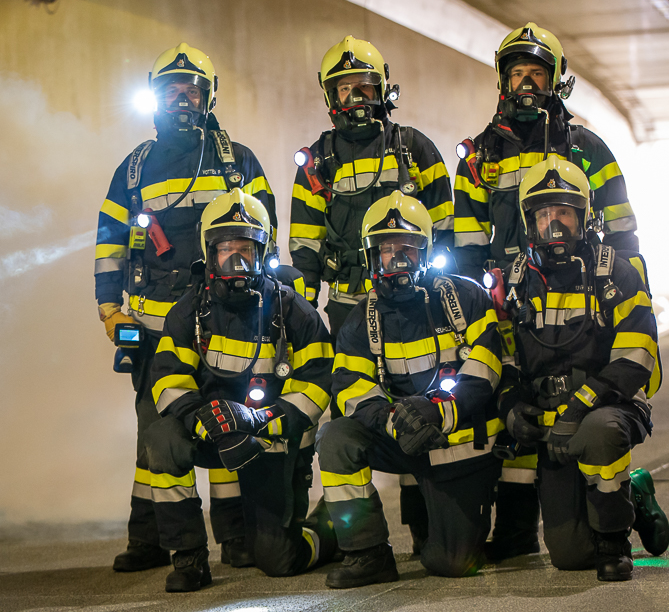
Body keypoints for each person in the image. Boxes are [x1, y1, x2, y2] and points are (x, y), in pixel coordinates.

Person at [451, 22, 653, 561]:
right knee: (517, 406)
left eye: (536, 73)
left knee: (587, 413)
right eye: (516, 72)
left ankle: (622, 499)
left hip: (582, 296)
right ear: (502, 80)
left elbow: (622, 233)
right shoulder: (478, 158)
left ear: (556, 80)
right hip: (513, 300)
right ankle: (516, 530)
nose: (525, 83)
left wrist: (632, 299)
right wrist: (476, 313)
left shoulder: (588, 148)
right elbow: (466, 248)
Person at [94, 43, 277, 572]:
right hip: (155, 328)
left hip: (225, 323)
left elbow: (267, 240)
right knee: (156, 430)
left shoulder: (238, 161)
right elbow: (109, 243)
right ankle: (149, 539)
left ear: (208, 98)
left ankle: (235, 538)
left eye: (191, 91)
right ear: (154, 98)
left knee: (225, 420)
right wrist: (109, 309)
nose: (181, 99)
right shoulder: (133, 170)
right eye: (170, 90)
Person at [289, 35, 454, 549]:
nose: (355, 98)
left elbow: (445, 231)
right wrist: (301, 316)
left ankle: (426, 521)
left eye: (364, 87)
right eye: (344, 89)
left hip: (415, 305)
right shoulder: (316, 162)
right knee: (354, 413)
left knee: (418, 400)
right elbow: (304, 248)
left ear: (383, 90)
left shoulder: (415, 149)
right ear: (329, 96)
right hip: (349, 309)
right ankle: (353, 536)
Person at [143, 189, 337, 592]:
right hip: (212, 432)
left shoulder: (293, 311)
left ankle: (331, 524)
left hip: (272, 438)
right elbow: (167, 379)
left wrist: (259, 421)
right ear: (209, 253)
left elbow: (317, 385)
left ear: (263, 251)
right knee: (162, 439)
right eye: (226, 249)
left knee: (278, 561)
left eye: (245, 250)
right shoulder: (190, 311)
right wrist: (205, 422)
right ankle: (189, 558)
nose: (236, 261)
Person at [316, 191, 504, 588]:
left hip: (456, 442)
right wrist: (394, 420)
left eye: (408, 249)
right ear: (371, 256)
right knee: (335, 437)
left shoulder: (465, 297)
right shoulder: (359, 321)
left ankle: (450, 527)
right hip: (400, 436)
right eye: (387, 250)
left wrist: (439, 410)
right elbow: (351, 390)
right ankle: (367, 554)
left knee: (451, 563)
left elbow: (486, 367)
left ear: (426, 251)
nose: (397, 260)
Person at [496, 156, 668, 581]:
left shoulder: (616, 273)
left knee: (600, 432)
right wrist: (513, 404)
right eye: (544, 215)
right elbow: (504, 356)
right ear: (529, 222)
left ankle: (614, 541)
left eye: (565, 213)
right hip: (553, 421)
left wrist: (578, 408)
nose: (554, 225)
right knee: (571, 555)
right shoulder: (515, 283)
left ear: (585, 217)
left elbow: (635, 357)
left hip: (609, 405)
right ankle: (635, 490)